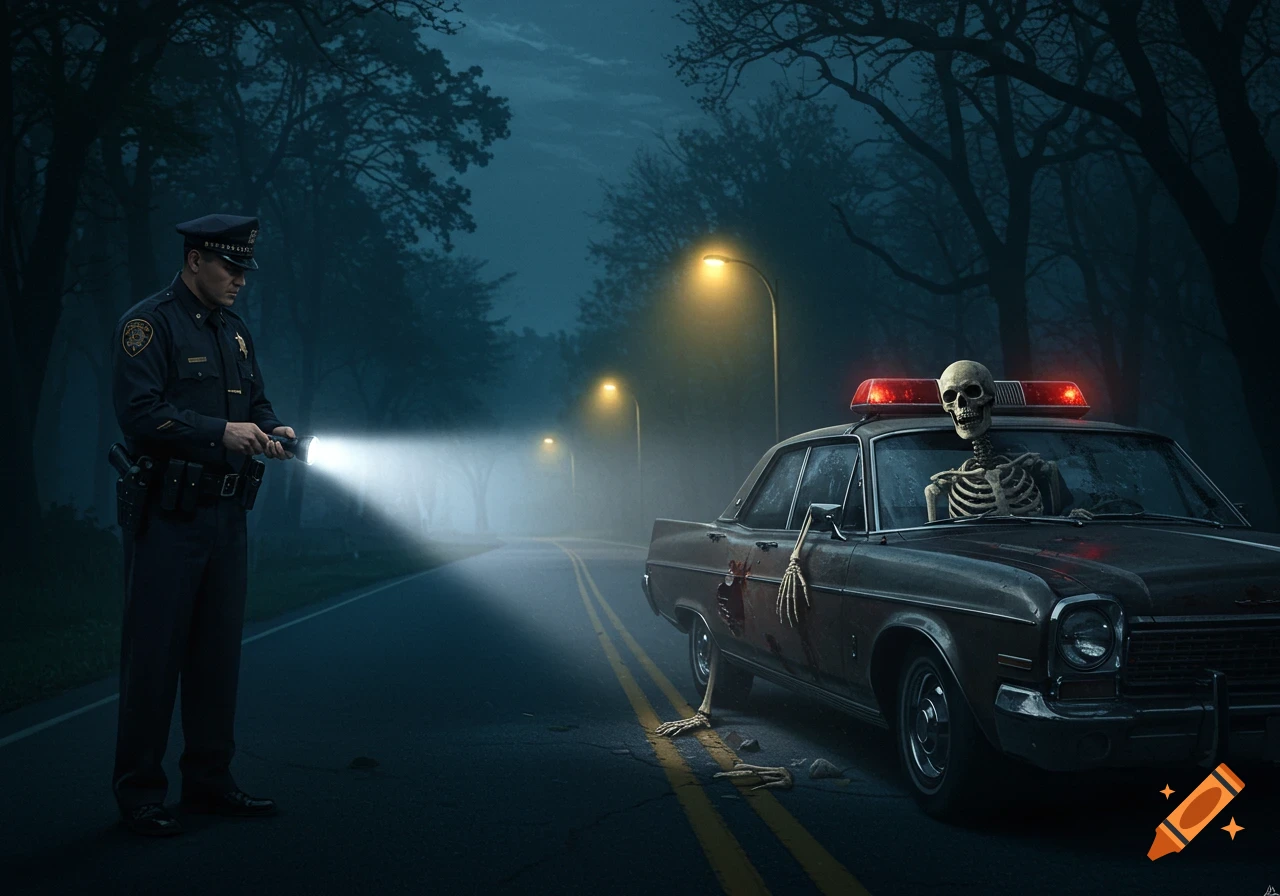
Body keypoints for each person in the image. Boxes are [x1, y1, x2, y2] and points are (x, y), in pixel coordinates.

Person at [110, 214, 293, 836]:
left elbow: (256, 403)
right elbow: (139, 415)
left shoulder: (233, 333)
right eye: (230, 267)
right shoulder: (149, 324)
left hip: (224, 516)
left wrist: (273, 429)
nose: (240, 279)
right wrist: (220, 432)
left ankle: (211, 783)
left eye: (244, 269)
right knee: (154, 660)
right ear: (195, 261)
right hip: (168, 517)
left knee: (217, 661)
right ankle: (140, 795)